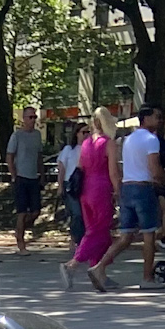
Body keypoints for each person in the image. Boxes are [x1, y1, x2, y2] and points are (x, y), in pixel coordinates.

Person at [93, 104, 165, 290]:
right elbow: (154, 169)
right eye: (157, 117)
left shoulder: (129, 140)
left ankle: (99, 267)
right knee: (149, 233)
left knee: (126, 235)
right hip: (143, 188)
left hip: (127, 188)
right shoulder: (151, 139)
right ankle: (147, 278)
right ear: (146, 118)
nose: (160, 120)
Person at [65, 120, 115, 292]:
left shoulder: (86, 144)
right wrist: (118, 191)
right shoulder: (108, 143)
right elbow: (113, 171)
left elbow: (80, 168)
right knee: (99, 231)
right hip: (101, 189)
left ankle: (99, 272)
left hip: (85, 190)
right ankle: (73, 264)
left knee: (95, 230)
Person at [6, 105, 44, 254]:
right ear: (24, 119)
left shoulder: (37, 135)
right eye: (30, 117)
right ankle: (21, 243)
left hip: (34, 177)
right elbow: (9, 156)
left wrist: (42, 175)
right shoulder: (17, 136)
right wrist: (14, 175)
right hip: (21, 177)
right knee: (22, 212)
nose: (33, 120)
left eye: (35, 117)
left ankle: (19, 229)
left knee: (36, 211)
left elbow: (39, 156)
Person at [57, 123, 84, 247]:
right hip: (71, 184)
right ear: (77, 133)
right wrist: (60, 185)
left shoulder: (88, 149)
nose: (86, 135)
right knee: (76, 213)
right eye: (84, 132)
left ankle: (81, 239)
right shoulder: (69, 149)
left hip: (84, 184)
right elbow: (62, 168)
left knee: (83, 214)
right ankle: (75, 238)